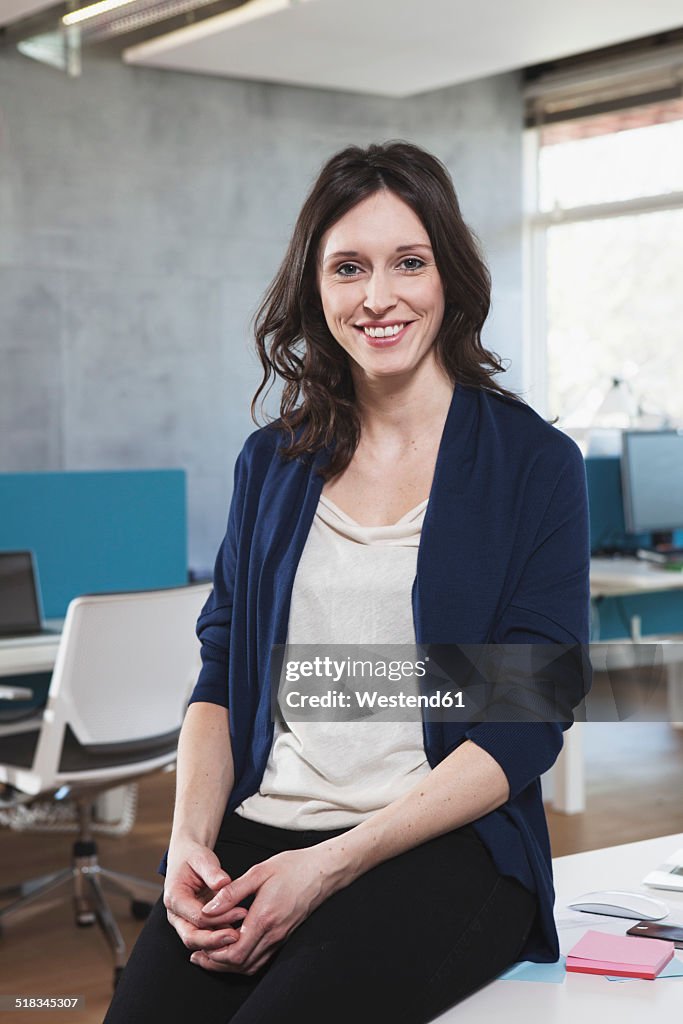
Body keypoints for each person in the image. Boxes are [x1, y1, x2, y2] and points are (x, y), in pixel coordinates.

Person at [104, 141, 589, 1024]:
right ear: (314, 288)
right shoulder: (272, 463)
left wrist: (329, 864)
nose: (378, 297)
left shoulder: (533, 465)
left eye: (409, 261)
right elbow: (220, 671)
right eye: (347, 268)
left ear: (449, 275)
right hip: (267, 820)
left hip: (443, 845)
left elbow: (525, 713)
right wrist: (186, 844)